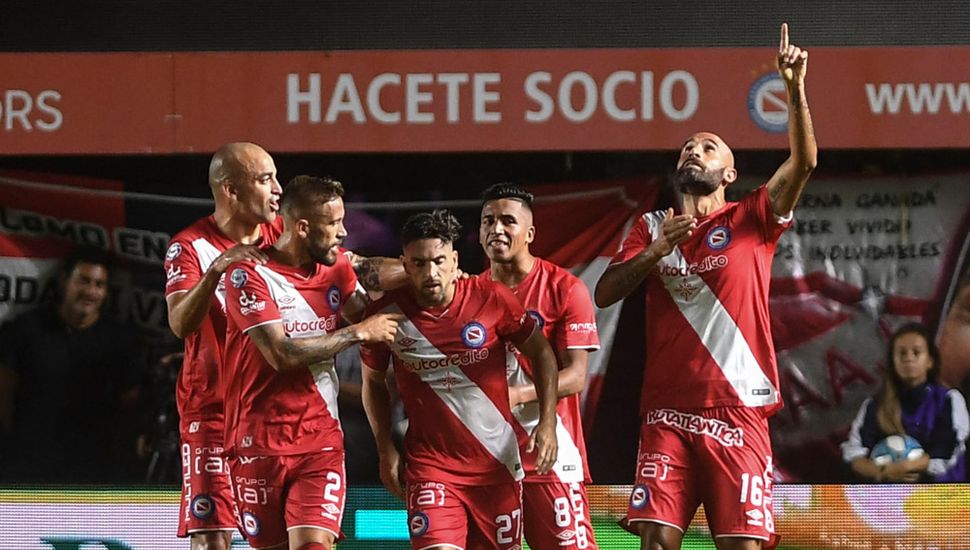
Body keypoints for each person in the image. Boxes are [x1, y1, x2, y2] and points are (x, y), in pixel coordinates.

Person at [594, 24, 816, 550]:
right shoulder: (651, 228)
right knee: (654, 541)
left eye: (709, 147)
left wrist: (794, 88)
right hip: (666, 411)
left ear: (729, 174)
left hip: (737, 406)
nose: (695, 150)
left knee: (740, 544)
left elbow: (804, 163)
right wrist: (655, 252)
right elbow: (605, 294)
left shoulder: (752, 217)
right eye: (688, 147)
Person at [164, 143, 401, 549]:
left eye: (276, 177)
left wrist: (427, 271)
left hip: (285, 418)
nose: (277, 188)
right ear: (231, 190)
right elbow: (180, 324)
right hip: (211, 410)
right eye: (264, 179)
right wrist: (216, 271)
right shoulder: (189, 246)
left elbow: (355, 266)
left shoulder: (287, 233)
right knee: (212, 538)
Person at [360, 209, 560, 550]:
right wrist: (384, 448)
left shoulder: (492, 297)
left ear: (454, 261)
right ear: (405, 266)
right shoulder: (385, 315)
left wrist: (548, 422)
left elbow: (542, 354)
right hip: (431, 467)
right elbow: (373, 383)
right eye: (419, 263)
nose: (431, 273)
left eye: (439, 261)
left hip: (496, 465)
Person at [222, 175, 403, 550]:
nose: (343, 232)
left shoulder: (336, 269)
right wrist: (356, 333)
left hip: (319, 442)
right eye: (334, 223)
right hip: (257, 443)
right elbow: (281, 355)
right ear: (303, 227)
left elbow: (370, 316)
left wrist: (436, 285)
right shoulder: (249, 276)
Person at [479, 183, 600, 550]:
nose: (496, 229)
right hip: (488, 456)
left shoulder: (565, 288)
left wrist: (517, 395)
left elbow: (575, 377)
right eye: (488, 221)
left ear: (530, 233)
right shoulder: (470, 292)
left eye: (507, 221)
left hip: (549, 449)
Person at [0, 247, 145, 483]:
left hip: (91, 467)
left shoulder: (121, 341)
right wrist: (13, 440)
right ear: (64, 281)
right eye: (83, 281)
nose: (91, 291)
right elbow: (5, 387)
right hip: (29, 463)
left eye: (99, 284)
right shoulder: (27, 328)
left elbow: (129, 404)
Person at [841, 323, 969, 482]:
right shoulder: (874, 405)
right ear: (893, 361)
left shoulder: (949, 400)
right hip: (888, 495)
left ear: (929, 361)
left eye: (916, 352)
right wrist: (883, 472)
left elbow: (945, 450)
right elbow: (855, 454)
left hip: (943, 494)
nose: (908, 358)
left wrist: (905, 467)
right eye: (902, 353)